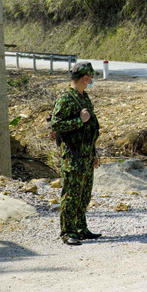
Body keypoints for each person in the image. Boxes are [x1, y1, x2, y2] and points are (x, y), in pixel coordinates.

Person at [50, 62, 101, 245]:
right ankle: (67, 232)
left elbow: (90, 129)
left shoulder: (83, 97)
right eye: (91, 78)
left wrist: (94, 153)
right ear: (85, 78)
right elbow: (56, 124)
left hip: (87, 154)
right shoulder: (66, 98)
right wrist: (79, 120)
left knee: (84, 194)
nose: (92, 81)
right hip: (73, 155)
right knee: (71, 194)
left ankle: (80, 228)